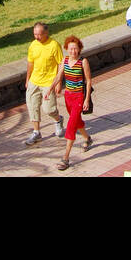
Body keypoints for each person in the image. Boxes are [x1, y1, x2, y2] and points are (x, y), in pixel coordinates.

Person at [53, 35, 93, 170]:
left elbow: (88, 81)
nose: (73, 51)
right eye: (70, 49)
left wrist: (86, 99)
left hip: (78, 97)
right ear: (66, 49)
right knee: (76, 121)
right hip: (68, 96)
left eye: (75, 49)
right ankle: (87, 138)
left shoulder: (83, 62)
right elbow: (59, 75)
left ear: (79, 49)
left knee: (71, 125)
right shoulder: (64, 61)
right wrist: (50, 89)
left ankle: (65, 158)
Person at [23, 23, 64, 145]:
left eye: (39, 34)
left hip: (48, 83)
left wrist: (58, 83)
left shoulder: (54, 45)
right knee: (32, 107)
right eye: (35, 34)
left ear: (46, 33)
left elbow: (60, 64)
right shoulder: (33, 45)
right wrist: (27, 79)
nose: (37, 37)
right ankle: (36, 132)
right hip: (34, 82)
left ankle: (58, 120)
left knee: (49, 109)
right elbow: (30, 63)